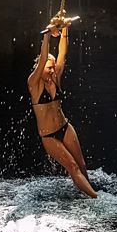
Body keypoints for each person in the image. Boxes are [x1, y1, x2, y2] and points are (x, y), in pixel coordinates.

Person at [27, 12, 97, 198]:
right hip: (49, 136)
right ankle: (96, 199)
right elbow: (43, 60)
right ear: (41, 68)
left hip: (65, 127)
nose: (52, 70)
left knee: (81, 164)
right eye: (49, 68)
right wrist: (47, 36)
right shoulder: (34, 84)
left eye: (52, 68)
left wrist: (64, 29)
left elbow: (62, 54)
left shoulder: (55, 79)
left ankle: (87, 192)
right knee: (72, 166)